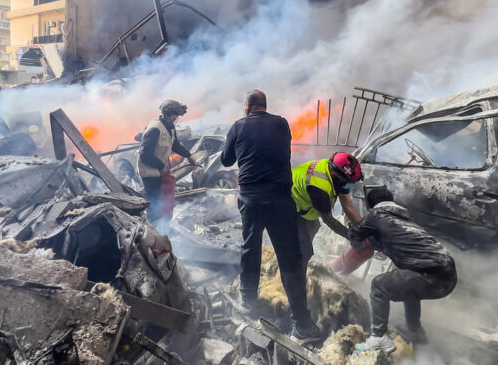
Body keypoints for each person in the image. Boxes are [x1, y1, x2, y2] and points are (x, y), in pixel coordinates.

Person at [221, 90, 323, 342]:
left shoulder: (238, 126)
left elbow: (226, 160)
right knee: (290, 257)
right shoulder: (282, 124)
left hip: (251, 200)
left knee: (250, 248)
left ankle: (248, 300)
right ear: (264, 105)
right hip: (280, 200)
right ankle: (302, 323)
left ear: (247, 107)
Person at [353, 186, 457, 350]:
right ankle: (415, 331)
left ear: (371, 205)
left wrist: (355, 228)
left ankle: (378, 337)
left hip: (429, 275)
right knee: (407, 287)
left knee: (379, 285)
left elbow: (355, 238)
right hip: (448, 276)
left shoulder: (376, 214)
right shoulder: (406, 218)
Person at [291, 152, 364, 268]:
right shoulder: (319, 188)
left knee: (313, 227)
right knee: (303, 250)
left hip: (302, 203)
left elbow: (348, 207)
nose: (350, 186)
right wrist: (351, 237)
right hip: (288, 206)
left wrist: (363, 229)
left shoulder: (332, 169)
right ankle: (293, 274)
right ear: (340, 179)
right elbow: (329, 220)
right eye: (349, 183)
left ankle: (295, 264)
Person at [137, 100, 196, 223]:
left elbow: (174, 144)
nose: (175, 119)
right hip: (149, 172)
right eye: (175, 116)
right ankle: (153, 228)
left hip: (159, 171)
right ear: (168, 114)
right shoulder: (155, 129)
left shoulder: (169, 128)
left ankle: (162, 226)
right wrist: (161, 167)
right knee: (155, 203)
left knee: (162, 202)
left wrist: (188, 155)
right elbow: (144, 154)